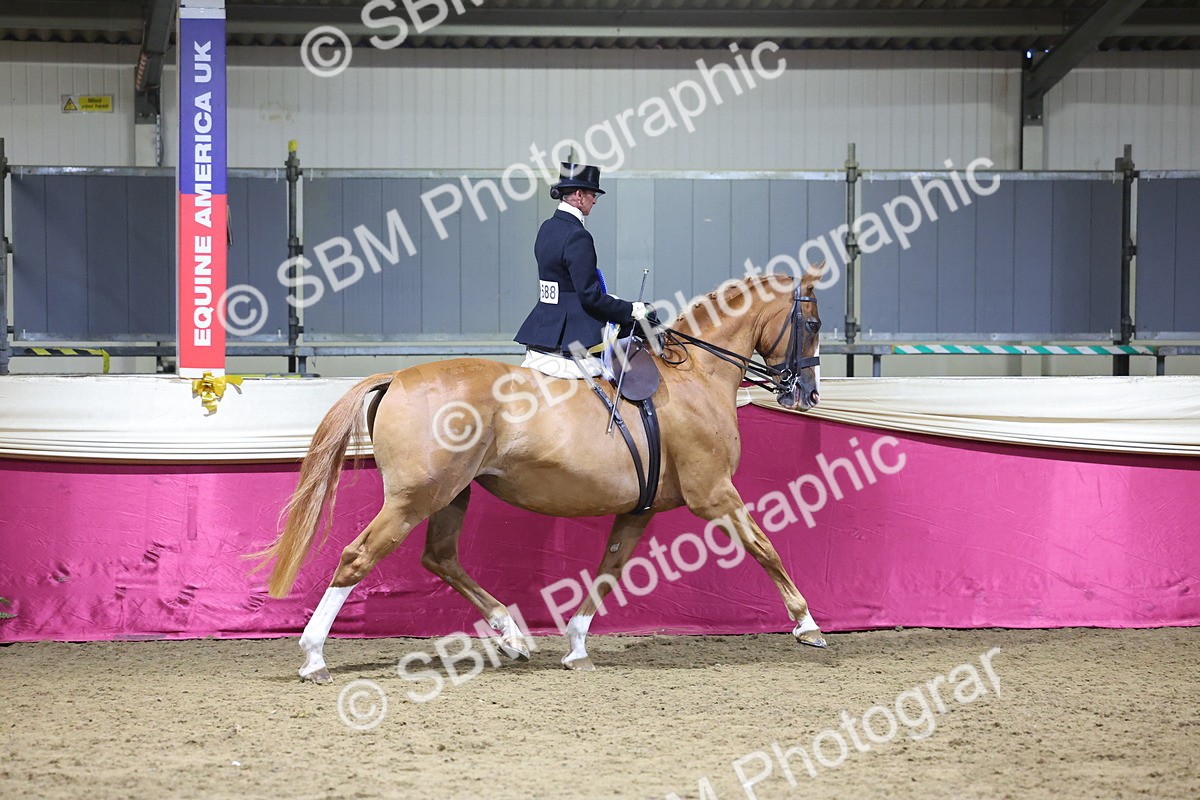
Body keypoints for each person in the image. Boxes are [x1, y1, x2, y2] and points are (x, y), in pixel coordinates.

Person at [515, 162, 651, 379]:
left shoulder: (547, 227)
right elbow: (589, 297)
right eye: (593, 194)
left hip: (544, 327)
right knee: (633, 339)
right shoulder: (578, 235)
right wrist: (630, 310)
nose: (595, 200)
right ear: (579, 195)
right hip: (572, 331)